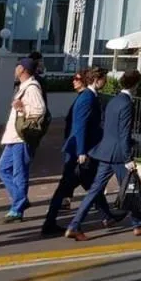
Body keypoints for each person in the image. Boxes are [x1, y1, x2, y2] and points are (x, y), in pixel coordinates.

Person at [64, 70, 141, 241]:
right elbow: (123, 134)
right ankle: (139, 224)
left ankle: (75, 225)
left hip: (106, 151)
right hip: (118, 155)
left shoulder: (114, 101)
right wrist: (128, 158)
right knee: (129, 189)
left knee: (95, 191)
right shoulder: (127, 104)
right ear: (136, 85)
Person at [42, 68, 115, 237]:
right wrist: (81, 151)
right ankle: (51, 223)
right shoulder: (87, 98)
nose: (106, 82)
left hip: (84, 150)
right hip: (79, 153)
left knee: (91, 184)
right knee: (70, 187)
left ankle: (107, 215)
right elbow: (79, 126)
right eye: (104, 79)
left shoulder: (91, 97)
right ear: (96, 79)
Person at [0, 57, 46, 223]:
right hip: (14, 136)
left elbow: (40, 110)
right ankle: (20, 200)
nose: (15, 69)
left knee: (19, 173)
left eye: (17, 66)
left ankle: (17, 209)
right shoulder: (23, 87)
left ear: (23, 69)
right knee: (2, 168)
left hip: (22, 136)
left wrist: (21, 109)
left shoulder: (32, 87)